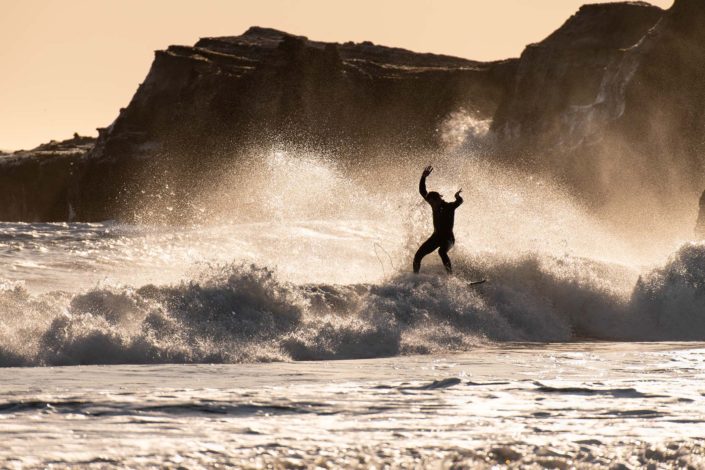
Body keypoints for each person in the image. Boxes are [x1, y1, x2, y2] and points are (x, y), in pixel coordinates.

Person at [413, 165, 463, 274]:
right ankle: (415, 277)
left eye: (432, 203)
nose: (431, 205)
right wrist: (423, 177)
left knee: (441, 252)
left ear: (438, 200)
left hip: (448, 239)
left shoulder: (449, 207)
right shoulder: (433, 204)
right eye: (430, 202)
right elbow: (422, 191)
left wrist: (457, 196)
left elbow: (459, 202)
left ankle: (451, 277)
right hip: (436, 237)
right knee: (418, 256)